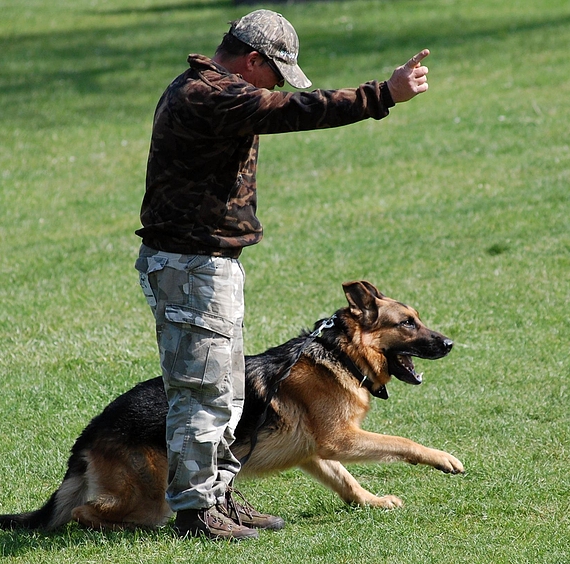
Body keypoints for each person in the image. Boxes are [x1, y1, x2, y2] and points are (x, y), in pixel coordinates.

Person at [134, 9, 431, 541]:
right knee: (202, 390)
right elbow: (297, 110)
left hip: (207, 263)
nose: (275, 85)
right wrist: (383, 94)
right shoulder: (210, 95)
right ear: (252, 61)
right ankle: (196, 511)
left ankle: (218, 495)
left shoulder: (211, 90)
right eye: (274, 73)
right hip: (190, 266)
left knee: (225, 389)